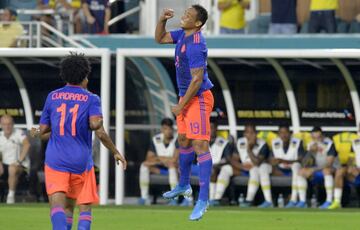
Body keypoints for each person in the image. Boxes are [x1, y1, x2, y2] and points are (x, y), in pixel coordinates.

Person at [30, 52, 126, 230]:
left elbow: (42, 130)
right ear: (84, 76)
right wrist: (115, 151)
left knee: (58, 205)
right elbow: (98, 128)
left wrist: (36, 131)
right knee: (75, 208)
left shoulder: (53, 97)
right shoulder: (91, 98)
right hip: (80, 161)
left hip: (56, 160)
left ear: (64, 74)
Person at [155, 5, 214, 221]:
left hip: (198, 98)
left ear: (198, 23)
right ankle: (183, 184)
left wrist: (181, 106)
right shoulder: (182, 35)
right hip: (185, 97)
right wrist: (162, 19)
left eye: (189, 15)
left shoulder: (197, 44)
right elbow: (159, 38)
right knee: (183, 140)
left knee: (200, 145)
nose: (184, 15)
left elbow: (197, 79)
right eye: (185, 12)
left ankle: (203, 199)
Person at [212, 124, 271, 207]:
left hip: (257, 168)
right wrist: (242, 167)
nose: (249, 135)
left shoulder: (263, 144)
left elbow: (257, 162)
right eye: (247, 132)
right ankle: (216, 198)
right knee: (226, 168)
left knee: (255, 169)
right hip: (243, 168)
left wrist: (249, 149)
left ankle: (249, 200)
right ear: (244, 134)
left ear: (256, 134)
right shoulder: (240, 142)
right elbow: (234, 159)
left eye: (252, 133)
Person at [138, 118, 178, 206]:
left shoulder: (177, 139)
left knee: (172, 166)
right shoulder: (156, 139)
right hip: (160, 168)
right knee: (144, 165)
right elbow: (149, 158)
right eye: (165, 128)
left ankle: (174, 198)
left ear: (172, 129)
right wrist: (164, 160)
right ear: (161, 129)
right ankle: (144, 197)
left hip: (175, 169)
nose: (167, 131)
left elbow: (175, 159)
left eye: (169, 128)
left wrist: (158, 158)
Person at [297, 127, 337, 209]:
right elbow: (304, 163)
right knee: (301, 172)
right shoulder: (310, 145)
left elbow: (329, 163)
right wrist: (310, 151)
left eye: (318, 137)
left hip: (334, 169)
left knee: (326, 171)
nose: (316, 140)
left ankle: (329, 200)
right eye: (314, 138)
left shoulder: (329, 144)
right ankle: (302, 201)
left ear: (323, 136)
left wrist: (312, 170)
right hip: (318, 169)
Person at [268, 125, 305, 208]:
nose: (284, 135)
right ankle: (268, 201)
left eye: (286, 132)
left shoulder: (298, 142)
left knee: (296, 166)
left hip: (294, 170)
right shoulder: (274, 142)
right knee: (264, 168)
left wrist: (284, 161)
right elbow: (270, 159)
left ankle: (294, 199)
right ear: (278, 134)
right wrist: (273, 164)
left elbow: (301, 159)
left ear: (290, 133)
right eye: (281, 133)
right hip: (280, 170)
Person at [0, 115, 31, 204]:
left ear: (13, 124)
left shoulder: (19, 133)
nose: (7, 126)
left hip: (20, 165)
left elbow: (27, 145)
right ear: (1, 125)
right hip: (5, 164)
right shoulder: (0, 136)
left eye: (9, 124)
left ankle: (10, 196)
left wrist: (19, 161)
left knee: (12, 168)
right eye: (4, 124)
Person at [328, 125, 360, 210]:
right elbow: (351, 156)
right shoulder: (356, 141)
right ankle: (337, 201)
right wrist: (351, 166)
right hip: (356, 171)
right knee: (340, 172)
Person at [207, 120, 233, 206]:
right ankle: (186, 200)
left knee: (215, 170)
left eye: (212, 128)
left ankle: (213, 199)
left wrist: (218, 164)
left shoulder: (223, 142)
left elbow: (227, 159)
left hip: (216, 167)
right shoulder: (200, 141)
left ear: (216, 129)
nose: (210, 130)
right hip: (200, 167)